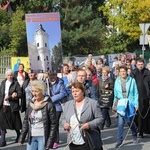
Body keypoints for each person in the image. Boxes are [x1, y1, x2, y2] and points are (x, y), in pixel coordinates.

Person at [61, 82, 103, 150]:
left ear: (83, 91)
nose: (74, 93)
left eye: (77, 91)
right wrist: (64, 124)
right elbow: (62, 118)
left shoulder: (92, 103)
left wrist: (89, 124)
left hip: (88, 140)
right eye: (73, 91)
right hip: (73, 141)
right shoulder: (67, 104)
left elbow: (100, 118)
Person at [18, 80, 57, 150]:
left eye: (36, 91)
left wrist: (49, 142)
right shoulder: (31, 104)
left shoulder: (49, 105)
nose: (34, 94)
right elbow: (26, 121)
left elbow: (53, 124)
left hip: (42, 137)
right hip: (31, 136)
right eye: (32, 91)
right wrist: (21, 137)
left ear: (42, 91)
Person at [113, 66, 139, 148]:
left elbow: (135, 93)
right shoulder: (117, 81)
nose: (122, 73)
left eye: (124, 71)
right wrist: (114, 105)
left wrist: (136, 104)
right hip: (121, 103)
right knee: (120, 123)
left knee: (129, 121)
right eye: (121, 71)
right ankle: (119, 140)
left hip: (129, 103)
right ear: (119, 72)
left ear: (127, 71)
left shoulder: (132, 80)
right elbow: (115, 95)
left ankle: (135, 134)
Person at [0, 69, 22, 147]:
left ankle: (19, 134)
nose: (10, 76)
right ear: (6, 76)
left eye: (11, 75)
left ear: (13, 75)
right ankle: (3, 140)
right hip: (3, 106)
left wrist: (11, 97)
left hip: (12, 106)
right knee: (2, 124)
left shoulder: (16, 83)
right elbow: (1, 94)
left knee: (15, 123)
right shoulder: (3, 83)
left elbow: (20, 94)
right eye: (8, 75)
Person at [131, 58, 150, 138]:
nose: (140, 66)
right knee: (137, 115)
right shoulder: (133, 73)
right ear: (136, 64)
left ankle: (144, 130)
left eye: (142, 64)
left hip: (146, 96)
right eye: (139, 64)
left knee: (146, 114)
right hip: (136, 96)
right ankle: (140, 130)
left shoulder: (147, 72)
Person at [48, 72, 68, 149]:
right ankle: (49, 139)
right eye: (50, 75)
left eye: (53, 75)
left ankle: (56, 140)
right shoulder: (46, 82)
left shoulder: (60, 82)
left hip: (57, 106)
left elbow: (62, 93)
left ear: (56, 76)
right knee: (49, 123)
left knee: (55, 123)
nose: (52, 77)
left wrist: (52, 99)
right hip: (48, 106)